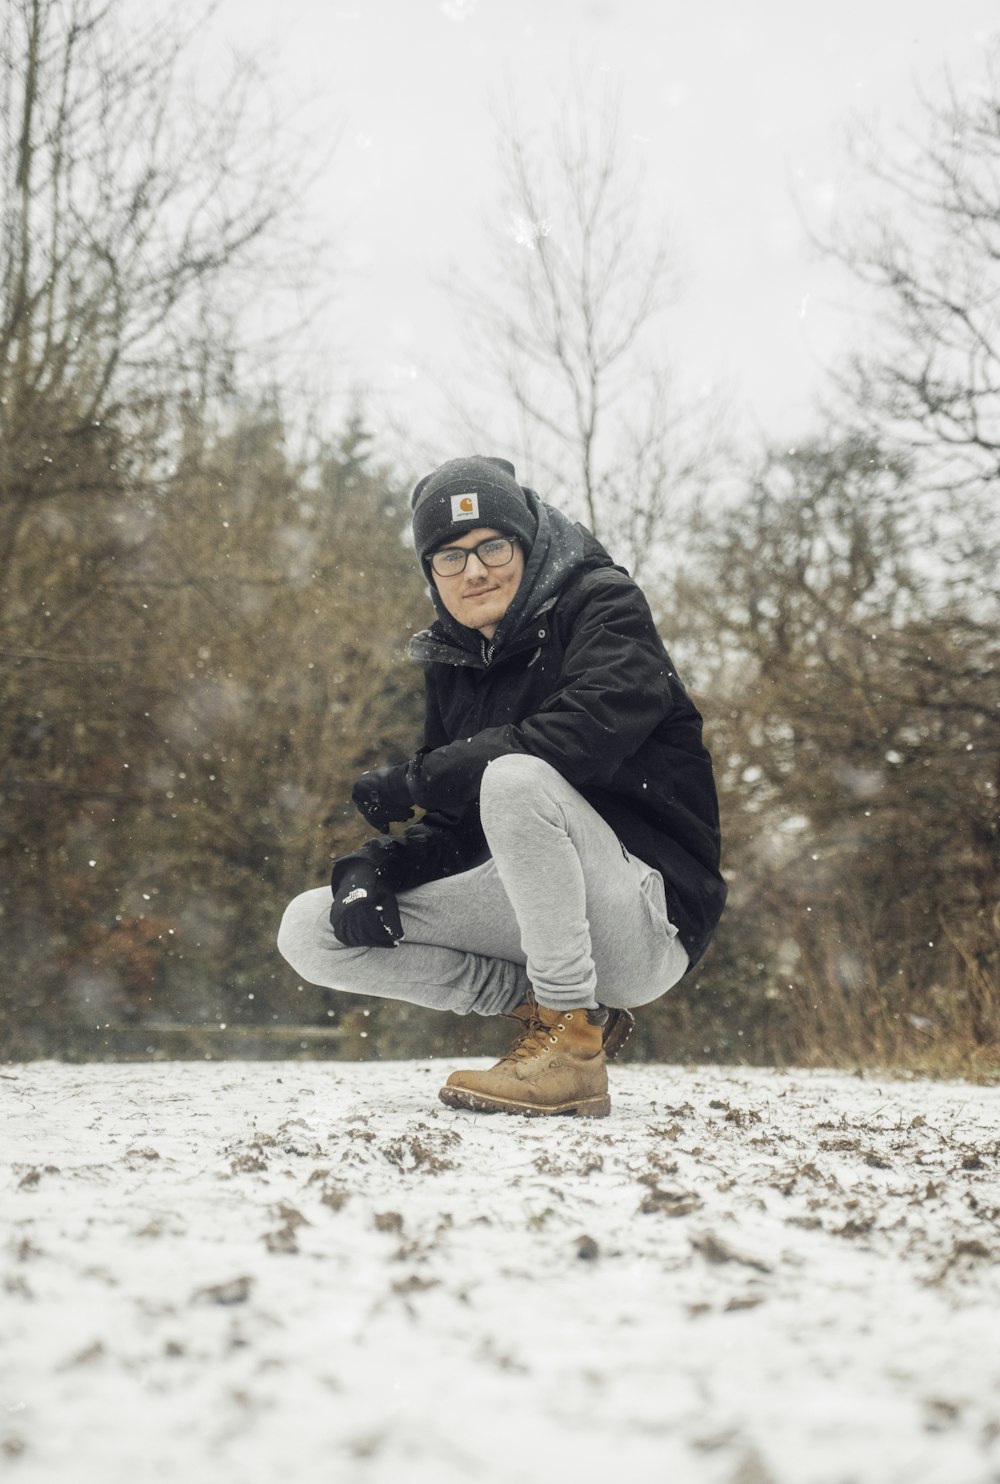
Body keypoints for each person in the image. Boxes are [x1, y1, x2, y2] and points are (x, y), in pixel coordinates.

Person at [277, 455, 726, 1118]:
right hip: (546, 917)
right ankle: (562, 1007)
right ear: (431, 575)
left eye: (492, 545)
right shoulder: (455, 662)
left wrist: (420, 779)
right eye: (450, 557)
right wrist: (373, 867)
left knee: (516, 778)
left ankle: (570, 1050)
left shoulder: (603, 603)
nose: (475, 570)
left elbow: (587, 731)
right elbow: (460, 820)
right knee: (310, 928)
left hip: (645, 915)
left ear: (529, 542)